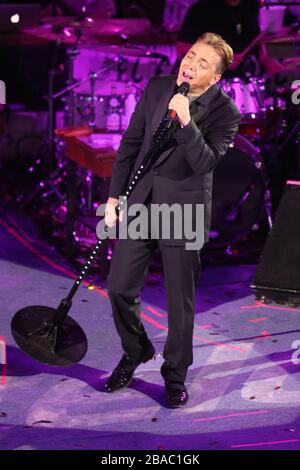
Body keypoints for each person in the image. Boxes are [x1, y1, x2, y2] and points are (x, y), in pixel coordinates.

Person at [104, 32, 241, 408]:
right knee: (118, 287)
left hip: (185, 209)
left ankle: (175, 375)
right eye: (191, 56)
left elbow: (205, 162)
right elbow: (131, 143)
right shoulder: (158, 87)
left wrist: (185, 121)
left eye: (202, 64)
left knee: (179, 304)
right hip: (141, 201)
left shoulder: (226, 113)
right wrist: (114, 197)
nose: (190, 65)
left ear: (215, 78)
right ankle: (135, 350)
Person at [177, 0, 284, 76]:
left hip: (242, 80)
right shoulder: (201, 8)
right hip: (206, 78)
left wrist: (264, 60)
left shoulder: (251, 6)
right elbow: (182, 47)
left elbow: (256, 40)